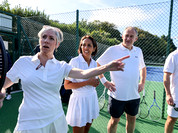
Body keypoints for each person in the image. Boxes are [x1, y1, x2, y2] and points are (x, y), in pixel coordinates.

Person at [0, 25, 129, 133]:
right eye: (43, 37)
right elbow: (4, 84)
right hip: (28, 121)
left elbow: (84, 73)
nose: (46, 40)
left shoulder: (61, 66)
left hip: (55, 119)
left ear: (57, 44)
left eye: (51, 38)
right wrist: (2, 93)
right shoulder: (23, 62)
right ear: (39, 40)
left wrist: (107, 66)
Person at [97, 26, 146, 133]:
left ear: (136, 39)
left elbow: (142, 67)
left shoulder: (138, 51)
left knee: (132, 119)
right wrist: (105, 82)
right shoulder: (113, 50)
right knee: (115, 120)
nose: (128, 38)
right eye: (126, 36)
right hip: (117, 95)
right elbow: (98, 64)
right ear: (122, 36)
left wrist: (142, 82)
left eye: (131, 36)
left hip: (134, 95)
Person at [64, 35, 100, 133]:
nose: (85, 48)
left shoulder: (94, 63)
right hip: (79, 101)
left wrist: (95, 83)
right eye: (83, 45)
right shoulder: (74, 62)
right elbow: (67, 85)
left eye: (89, 45)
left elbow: (93, 82)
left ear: (94, 48)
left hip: (91, 99)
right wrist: (88, 82)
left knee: (86, 131)